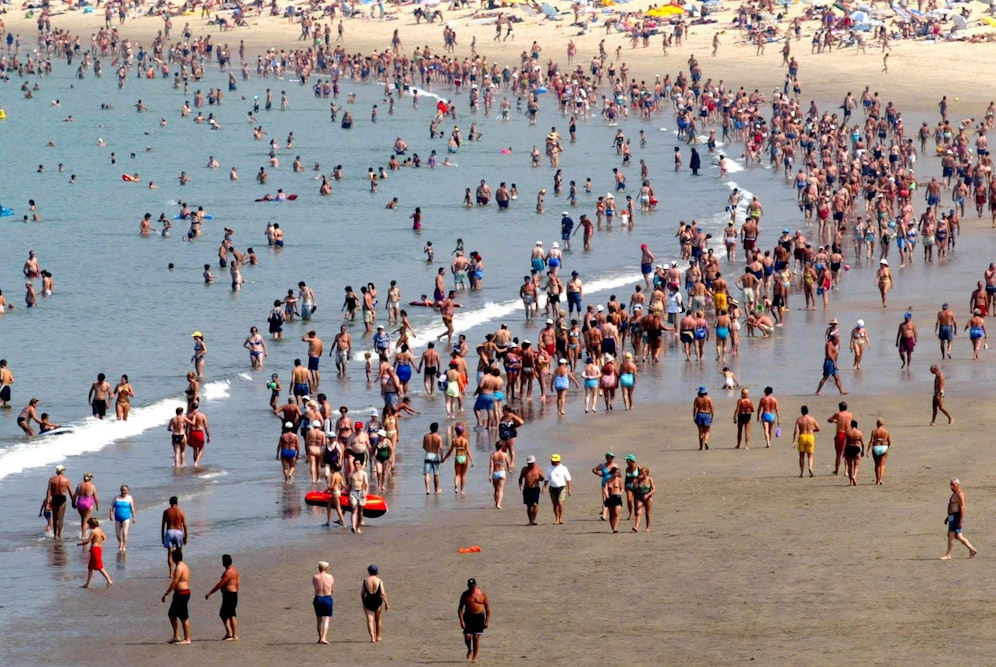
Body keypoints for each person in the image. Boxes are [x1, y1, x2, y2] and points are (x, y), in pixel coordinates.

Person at [205, 554, 240, 641]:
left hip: (230, 595)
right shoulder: (235, 570)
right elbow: (238, 582)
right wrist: (236, 590)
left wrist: (210, 593)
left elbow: (221, 584)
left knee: (231, 614)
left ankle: (234, 635)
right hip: (233, 594)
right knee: (223, 614)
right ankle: (229, 633)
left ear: (224, 562)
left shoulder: (228, 572)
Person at [162, 548, 192, 644]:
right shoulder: (185, 566)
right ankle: (176, 636)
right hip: (181, 593)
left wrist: (166, 594)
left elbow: (175, 582)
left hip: (182, 593)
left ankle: (187, 639)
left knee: (183, 617)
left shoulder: (179, 567)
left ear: (174, 558)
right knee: (172, 614)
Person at [941, 479, 977, 560]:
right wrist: (948, 517)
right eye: (950, 485)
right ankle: (972, 549)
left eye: (953, 485)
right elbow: (953, 507)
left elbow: (962, 507)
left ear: (958, 485)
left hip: (956, 517)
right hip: (952, 516)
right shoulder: (955, 494)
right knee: (958, 536)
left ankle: (948, 554)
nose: (951, 486)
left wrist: (960, 521)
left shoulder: (960, 494)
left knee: (950, 535)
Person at [457, 578, 490, 664]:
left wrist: (487, 620)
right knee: (467, 636)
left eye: (472, 586)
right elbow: (460, 609)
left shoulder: (481, 594)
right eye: (470, 586)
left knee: (476, 637)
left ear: (475, 585)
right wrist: (461, 621)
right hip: (468, 616)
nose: (471, 588)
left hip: (479, 616)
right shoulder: (465, 595)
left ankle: (475, 656)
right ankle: (469, 649)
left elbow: (487, 608)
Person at [77, 517, 113, 588]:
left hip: (94, 550)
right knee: (90, 567)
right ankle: (87, 584)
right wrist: (100, 545)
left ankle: (109, 580)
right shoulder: (99, 530)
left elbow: (88, 541)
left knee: (99, 567)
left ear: (92, 524)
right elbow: (105, 538)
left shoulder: (93, 531)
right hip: (98, 549)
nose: (88, 526)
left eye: (89, 524)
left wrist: (80, 544)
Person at [44, 464, 74, 540]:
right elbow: (71, 492)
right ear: (62, 471)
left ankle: (54, 535)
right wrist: (73, 502)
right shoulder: (66, 480)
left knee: (54, 518)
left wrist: (47, 503)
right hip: (62, 498)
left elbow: (48, 492)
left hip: (54, 498)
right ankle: (59, 535)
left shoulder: (51, 479)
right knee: (60, 519)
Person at [361, 564, 389, 643]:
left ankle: (372, 638)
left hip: (368, 601)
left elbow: (362, 593)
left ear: (368, 572)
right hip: (377, 601)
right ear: (376, 572)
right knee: (378, 619)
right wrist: (387, 603)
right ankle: (378, 636)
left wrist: (363, 602)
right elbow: (383, 593)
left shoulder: (365, 581)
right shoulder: (379, 580)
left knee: (370, 621)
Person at [161, 496, 189, 576]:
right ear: (177, 503)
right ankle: (179, 570)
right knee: (179, 552)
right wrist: (186, 537)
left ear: (170, 503)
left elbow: (163, 525)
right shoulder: (181, 511)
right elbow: (185, 526)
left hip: (169, 532)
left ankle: (171, 573)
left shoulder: (166, 512)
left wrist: (162, 536)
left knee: (170, 553)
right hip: (178, 532)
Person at [543, 454, 572, 525]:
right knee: (555, 504)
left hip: (561, 488)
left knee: (560, 503)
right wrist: (544, 487)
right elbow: (546, 479)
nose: (553, 462)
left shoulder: (563, 468)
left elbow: (568, 479)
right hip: (552, 488)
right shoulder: (549, 468)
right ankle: (557, 518)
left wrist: (569, 489)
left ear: (559, 461)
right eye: (553, 461)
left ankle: (561, 518)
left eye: (555, 461)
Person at [793, 405, 821, 478]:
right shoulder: (812, 419)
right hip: (810, 437)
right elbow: (818, 428)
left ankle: (802, 472)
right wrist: (812, 430)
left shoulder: (799, 419)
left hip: (802, 436)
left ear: (801, 411)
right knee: (810, 455)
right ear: (807, 411)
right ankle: (810, 467)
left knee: (801, 456)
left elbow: (796, 431)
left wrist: (794, 441)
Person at [827, 401, 854, 476]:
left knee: (839, 453)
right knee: (847, 453)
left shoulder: (838, 414)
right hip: (848, 433)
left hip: (840, 433)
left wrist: (835, 421)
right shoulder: (850, 414)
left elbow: (829, 420)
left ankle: (837, 470)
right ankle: (846, 471)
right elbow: (850, 422)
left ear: (839, 408)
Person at [518, 455, 545, 525]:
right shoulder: (524, 469)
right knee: (529, 506)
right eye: (529, 463)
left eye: (532, 463)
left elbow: (542, 479)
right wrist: (520, 484)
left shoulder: (538, 469)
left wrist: (540, 478)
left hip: (535, 488)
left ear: (534, 462)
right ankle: (530, 520)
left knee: (535, 504)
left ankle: (534, 519)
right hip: (527, 489)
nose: (530, 465)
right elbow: (520, 478)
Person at [591, 452, 619, 521]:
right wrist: (599, 474)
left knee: (613, 499)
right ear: (606, 458)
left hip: (613, 484)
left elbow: (618, 474)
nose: (610, 459)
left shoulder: (615, 465)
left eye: (611, 458)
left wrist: (618, 483)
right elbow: (594, 470)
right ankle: (604, 515)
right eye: (608, 458)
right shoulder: (602, 465)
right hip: (605, 483)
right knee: (605, 499)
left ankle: (612, 513)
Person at [313, 561, 335, 644]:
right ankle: (324, 637)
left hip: (318, 598)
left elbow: (315, 587)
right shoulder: (330, 577)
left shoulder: (315, 577)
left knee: (319, 620)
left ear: (319, 568)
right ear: (326, 568)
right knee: (326, 619)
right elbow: (332, 589)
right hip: (327, 597)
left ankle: (319, 638)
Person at [110, 484, 136, 551]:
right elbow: (111, 507)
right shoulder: (116, 498)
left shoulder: (129, 498)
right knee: (117, 534)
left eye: (126, 490)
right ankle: (120, 542)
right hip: (117, 518)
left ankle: (124, 546)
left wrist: (133, 517)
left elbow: (132, 508)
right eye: (123, 490)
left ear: (128, 491)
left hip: (126, 518)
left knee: (125, 533)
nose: (124, 491)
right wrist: (111, 515)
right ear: (120, 490)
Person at [347, 458, 370, 534]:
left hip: (361, 492)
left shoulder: (364, 474)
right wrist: (346, 493)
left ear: (360, 465)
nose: (356, 465)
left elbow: (366, 485)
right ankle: (353, 526)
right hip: (353, 492)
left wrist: (365, 493)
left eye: (357, 464)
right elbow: (349, 485)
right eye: (355, 464)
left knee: (360, 511)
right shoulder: (351, 474)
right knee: (354, 508)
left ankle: (358, 527)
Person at [74, 472, 99, 539]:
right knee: (86, 520)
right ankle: (83, 536)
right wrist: (97, 506)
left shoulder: (79, 485)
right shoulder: (92, 486)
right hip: (88, 503)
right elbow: (96, 497)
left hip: (80, 502)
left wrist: (73, 503)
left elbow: (75, 495)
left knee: (83, 519)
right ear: (90, 478)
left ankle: (83, 533)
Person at [422, 422, 444, 494]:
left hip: (428, 455)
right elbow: (440, 448)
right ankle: (436, 489)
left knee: (427, 473)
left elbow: (424, 446)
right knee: (436, 474)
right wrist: (442, 457)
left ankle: (427, 490)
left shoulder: (426, 436)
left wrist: (428, 449)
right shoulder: (438, 437)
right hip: (435, 455)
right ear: (437, 429)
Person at [631, 466, 655, 532]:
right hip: (639, 497)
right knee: (638, 512)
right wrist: (638, 480)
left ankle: (647, 527)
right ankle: (636, 527)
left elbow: (653, 489)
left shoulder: (650, 479)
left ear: (646, 473)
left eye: (643, 472)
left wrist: (647, 495)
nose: (641, 474)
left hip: (648, 497)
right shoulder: (637, 479)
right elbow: (634, 488)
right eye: (640, 472)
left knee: (648, 513)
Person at [869, 419, 891, 485]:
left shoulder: (874, 431)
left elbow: (871, 441)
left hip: (876, 447)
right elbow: (889, 441)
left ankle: (877, 480)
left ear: (877, 424)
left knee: (877, 464)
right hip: (884, 447)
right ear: (883, 424)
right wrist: (887, 447)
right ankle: (881, 479)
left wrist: (868, 451)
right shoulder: (886, 432)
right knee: (882, 464)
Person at [843, 420, 865, 486]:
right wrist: (863, 451)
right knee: (856, 465)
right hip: (856, 448)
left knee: (850, 466)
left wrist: (845, 451)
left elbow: (846, 443)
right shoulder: (860, 433)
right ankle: (854, 476)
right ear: (856, 425)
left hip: (849, 448)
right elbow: (863, 444)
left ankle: (851, 482)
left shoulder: (848, 432)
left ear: (851, 425)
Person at [692, 386, 714, 450]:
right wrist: (712, 416)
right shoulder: (709, 398)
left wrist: (694, 416)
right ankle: (706, 441)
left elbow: (695, 408)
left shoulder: (697, 399)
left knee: (700, 432)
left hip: (699, 414)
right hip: (707, 415)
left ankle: (701, 447)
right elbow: (712, 408)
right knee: (707, 431)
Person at [604, 467, 625, 533]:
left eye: (618, 473)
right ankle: (612, 527)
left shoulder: (619, 480)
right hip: (610, 497)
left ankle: (615, 527)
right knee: (611, 513)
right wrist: (606, 494)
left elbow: (622, 488)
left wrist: (620, 493)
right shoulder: (608, 480)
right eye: (616, 473)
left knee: (616, 513)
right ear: (612, 473)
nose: (617, 474)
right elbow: (605, 489)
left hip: (617, 496)